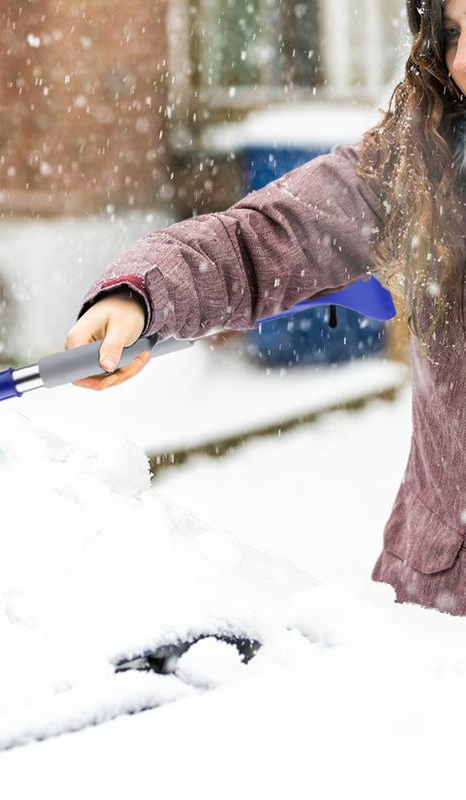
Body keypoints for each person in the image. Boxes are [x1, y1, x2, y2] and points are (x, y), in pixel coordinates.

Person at [65, 0, 466, 617]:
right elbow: (260, 239)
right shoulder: (424, 163)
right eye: (451, 34)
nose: (460, 60)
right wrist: (141, 293)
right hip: (438, 612)